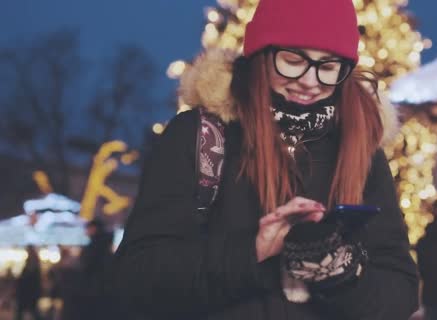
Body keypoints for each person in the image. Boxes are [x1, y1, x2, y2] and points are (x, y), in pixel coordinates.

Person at [111, 0, 419, 318]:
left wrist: (341, 274)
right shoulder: (201, 137)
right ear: (261, 55)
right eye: (292, 60)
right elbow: (135, 277)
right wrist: (253, 252)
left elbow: (402, 291)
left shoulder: (361, 147)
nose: (309, 81)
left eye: (327, 67)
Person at [14, 245, 42, 320]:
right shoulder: (32, 263)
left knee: (31, 311)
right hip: (26, 293)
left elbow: (33, 281)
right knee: (28, 312)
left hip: (28, 293)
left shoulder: (33, 265)